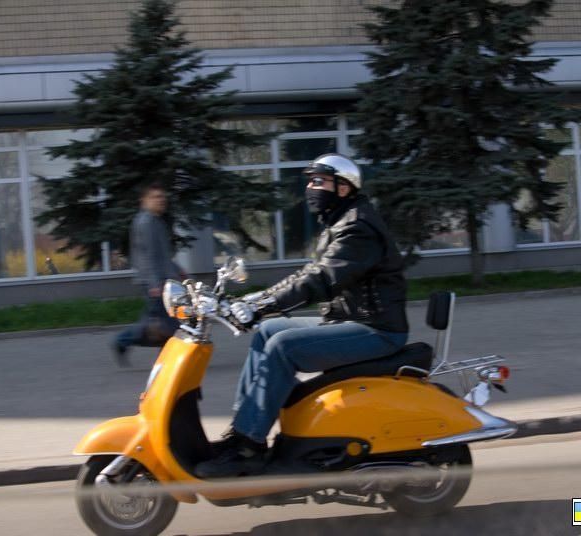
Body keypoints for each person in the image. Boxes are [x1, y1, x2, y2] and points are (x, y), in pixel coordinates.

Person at [196, 154, 408, 478]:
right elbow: (309, 271)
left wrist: (263, 304)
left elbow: (322, 278)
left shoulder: (358, 227)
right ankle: (242, 431)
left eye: (319, 181)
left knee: (283, 347)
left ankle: (249, 445)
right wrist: (259, 300)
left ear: (343, 187)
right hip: (350, 320)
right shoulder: (341, 220)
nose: (311, 188)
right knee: (268, 331)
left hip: (376, 329)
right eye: (310, 181)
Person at [113, 182, 186, 367]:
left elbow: (162, 255)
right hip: (155, 283)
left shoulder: (156, 221)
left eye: (162, 196)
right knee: (167, 323)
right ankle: (122, 341)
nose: (161, 200)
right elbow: (149, 256)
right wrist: (154, 285)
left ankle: (125, 343)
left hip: (162, 280)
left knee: (163, 323)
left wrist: (178, 270)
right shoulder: (146, 222)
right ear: (144, 201)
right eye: (155, 197)